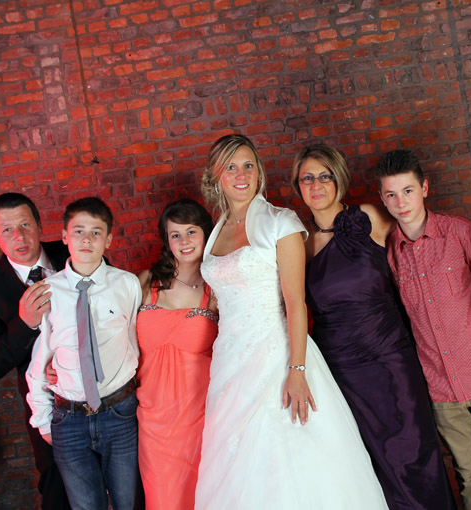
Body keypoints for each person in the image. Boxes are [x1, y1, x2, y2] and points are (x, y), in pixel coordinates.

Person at [194, 134, 388, 510]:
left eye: (248, 166)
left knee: (287, 453)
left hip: (278, 355)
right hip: (230, 362)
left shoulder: (279, 222)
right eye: (231, 167)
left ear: (259, 172)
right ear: (216, 176)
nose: (241, 175)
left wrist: (296, 370)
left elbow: (296, 304)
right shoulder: (217, 229)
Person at [293, 144, 456, 510]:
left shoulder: (367, 217)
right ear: (297, 186)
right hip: (341, 368)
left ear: (339, 179)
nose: (316, 185)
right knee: (368, 460)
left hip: (390, 355)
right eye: (307, 178)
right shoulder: (299, 243)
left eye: (324, 176)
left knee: (414, 448)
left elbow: (413, 250)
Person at [377, 149, 471, 510]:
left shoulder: (459, 232)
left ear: (424, 188)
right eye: (391, 194)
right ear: (382, 198)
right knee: (467, 475)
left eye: (408, 191)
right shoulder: (389, 252)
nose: (400, 202)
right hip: (439, 385)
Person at [26, 197, 142, 510]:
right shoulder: (49, 290)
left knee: (128, 501)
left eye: (96, 232)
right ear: (64, 236)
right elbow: (41, 356)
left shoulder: (126, 284)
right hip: (69, 418)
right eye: (78, 231)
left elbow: (135, 339)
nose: (87, 239)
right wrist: (44, 420)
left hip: (120, 412)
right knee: (85, 505)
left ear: (109, 239)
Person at [0, 193, 71, 510]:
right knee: (57, 486)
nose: (19, 237)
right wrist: (24, 324)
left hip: (106, 390)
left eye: (25, 225)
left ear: (39, 225)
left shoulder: (75, 252)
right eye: (7, 230)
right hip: (47, 404)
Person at [136, 199, 218, 510]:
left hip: (201, 419)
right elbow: (111, 338)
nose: (184, 241)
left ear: (206, 233)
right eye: (175, 235)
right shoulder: (146, 282)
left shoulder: (217, 290)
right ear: (166, 241)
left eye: (191, 231)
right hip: (153, 420)